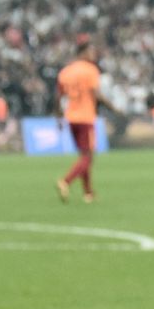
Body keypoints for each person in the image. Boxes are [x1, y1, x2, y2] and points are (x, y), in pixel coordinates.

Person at [54, 40, 116, 204]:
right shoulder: (90, 70)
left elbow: (58, 97)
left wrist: (59, 117)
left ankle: (88, 193)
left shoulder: (65, 72)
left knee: (84, 155)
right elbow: (97, 94)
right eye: (91, 52)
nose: (93, 55)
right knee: (88, 156)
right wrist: (114, 108)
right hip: (85, 117)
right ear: (83, 52)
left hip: (71, 118)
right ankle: (65, 181)